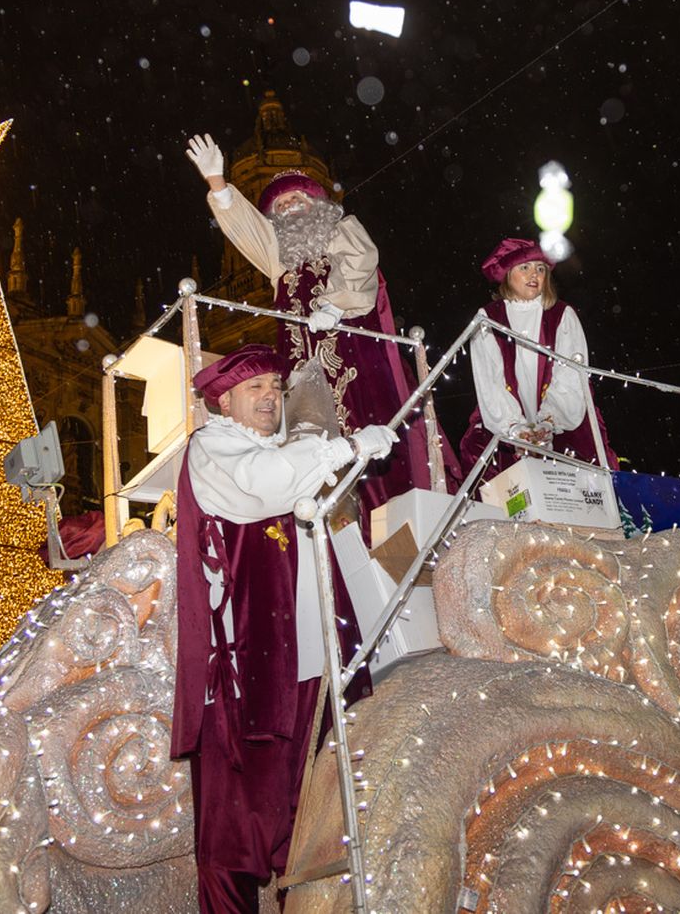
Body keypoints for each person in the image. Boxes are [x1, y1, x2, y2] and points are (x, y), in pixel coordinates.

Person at [167, 343, 394, 913]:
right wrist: (347, 446)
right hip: (244, 672)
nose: (270, 397)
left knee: (308, 819)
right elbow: (264, 485)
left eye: (275, 386)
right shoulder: (213, 445)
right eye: (255, 389)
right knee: (232, 832)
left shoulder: (290, 451)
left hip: (304, 662)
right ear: (224, 401)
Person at [185, 133, 449, 517]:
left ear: (318, 205)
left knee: (363, 422)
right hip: (303, 366)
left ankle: (390, 515)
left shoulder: (340, 230)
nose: (290, 207)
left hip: (351, 353)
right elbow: (249, 231)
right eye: (281, 205)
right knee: (313, 441)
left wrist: (334, 305)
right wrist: (217, 183)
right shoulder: (280, 256)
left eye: (297, 199)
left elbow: (361, 262)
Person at [459, 237, 617, 478]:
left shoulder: (562, 315)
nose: (534, 274)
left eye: (540, 269)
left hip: (563, 421)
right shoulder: (488, 318)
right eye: (525, 268)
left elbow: (571, 375)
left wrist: (548, 422)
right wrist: (515, 428)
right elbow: (489, 379)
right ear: (507, 274)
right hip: (507, 419)